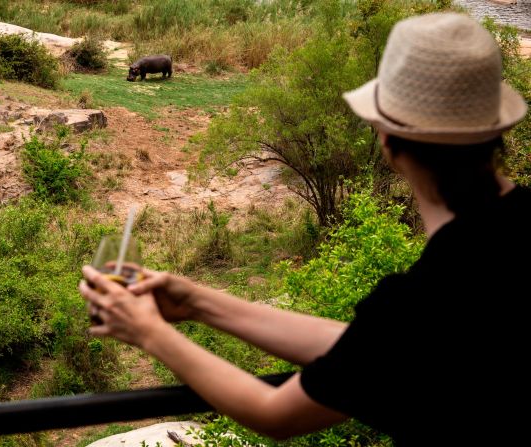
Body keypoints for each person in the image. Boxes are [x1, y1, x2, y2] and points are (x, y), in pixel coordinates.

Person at [79, 12, 529, 446]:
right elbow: (370, 351)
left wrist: (149, 332)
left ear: (386, 138)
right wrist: (198, 302)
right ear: (496, 133)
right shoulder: (473, 268)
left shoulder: (428, 295)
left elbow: (276, 413)